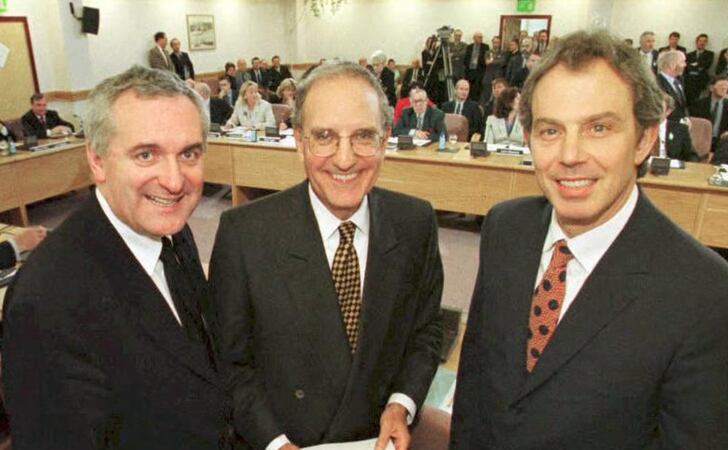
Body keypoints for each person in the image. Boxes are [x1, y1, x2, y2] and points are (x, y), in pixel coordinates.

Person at [451, 30, 728, 449]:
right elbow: (477, 387)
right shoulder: (505, 228)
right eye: (550, 131)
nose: (570, 154)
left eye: (598, 128)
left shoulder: (715, 305)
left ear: (644, 139)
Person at [208, 61, 443, 450]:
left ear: (386, 138)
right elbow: (230, 365)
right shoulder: (244, 233)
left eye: (364, 136)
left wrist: (401, 404)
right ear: (299, 140)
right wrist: (275, 443)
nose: (345, 158)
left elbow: (426, 332)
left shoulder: (415, 222)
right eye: (325, 137)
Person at [3, 65, 234, 449]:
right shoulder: (46, 303)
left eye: (189, 153)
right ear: (97, 162)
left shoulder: (171, 228)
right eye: (147, 155)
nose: (175, 181)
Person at [690, 74, 728, 150]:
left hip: (721, 143)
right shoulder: (699, 104)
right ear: (711, 88)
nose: (724, 88)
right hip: (701, 140)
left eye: (726, 85)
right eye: (721, 85)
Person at [655, 95, 699, 161]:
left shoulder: (680, 129)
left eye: (659, 108)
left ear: (668, 111)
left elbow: (692, 155)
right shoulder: (643, 127)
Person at [656, 50, 688, 121]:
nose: (685, 65)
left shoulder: (678, 81)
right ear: (672, 64)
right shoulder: (657, 83)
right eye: (682, 61)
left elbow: (682, 105)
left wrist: (685, 118)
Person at [684, 33, 714, 105]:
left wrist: (694, 65)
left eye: (704, 41)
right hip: (689, 81)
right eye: (700, 41)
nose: (702, 43)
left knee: (698, 101)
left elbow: (706, 65)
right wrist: (698, 66)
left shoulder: (710, 54)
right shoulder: (689, 54)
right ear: (697, 42)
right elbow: (687, 66)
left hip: (701, 80)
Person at [481, 35, 507, 104]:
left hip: (498, 75)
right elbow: (486, 62)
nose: (496, 44)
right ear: (492, 43)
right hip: (488, 76)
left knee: (498, 95)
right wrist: (496, 60)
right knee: (486, 94)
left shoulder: (503, 52)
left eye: (497, 42)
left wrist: (492, 61)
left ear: (500, 43)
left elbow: (502, 62)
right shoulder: (488, 52)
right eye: (494, 42)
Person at [464, 32, 489, 101]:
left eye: (481, 37)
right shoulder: (469, 47)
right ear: (474, 38)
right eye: (478, 37)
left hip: (479, 71)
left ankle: (476, 102)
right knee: (469, 88)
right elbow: (466, 59)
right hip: (470, 71)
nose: (480, 39)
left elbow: (486, 59)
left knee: (477, 89)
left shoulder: (485, 47)